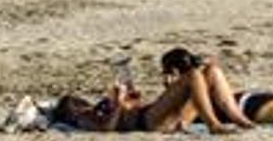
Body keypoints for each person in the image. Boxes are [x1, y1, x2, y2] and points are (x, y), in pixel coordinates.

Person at [49, 51, 254, 134]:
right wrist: (119, 105)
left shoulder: (94, 107)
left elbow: (129, 109)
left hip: (152, 114)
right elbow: (107, 130)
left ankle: (241, 121)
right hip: (147, 122)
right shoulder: (83, 118)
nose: (81, 105)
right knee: (192, 76)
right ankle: (214, 125)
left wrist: (130, 99)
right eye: (75, 105)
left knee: (210, 71)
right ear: (70, 111)